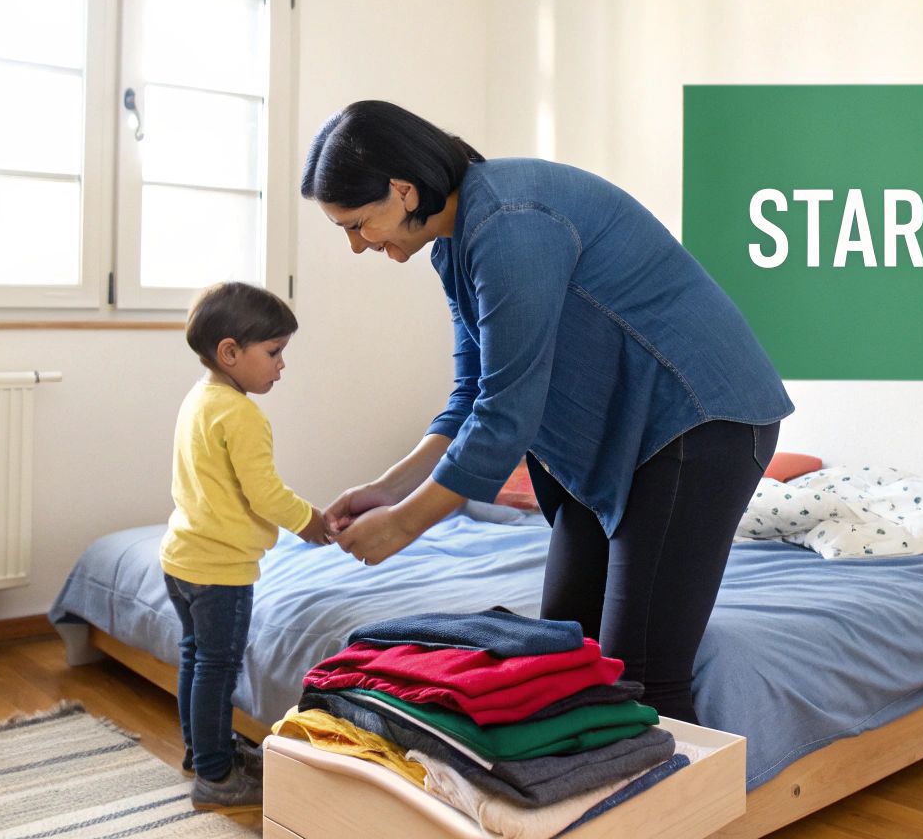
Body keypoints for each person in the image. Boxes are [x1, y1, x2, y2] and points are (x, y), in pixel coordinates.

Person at [305, 100, 792, 724]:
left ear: (402, 191)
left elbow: (506, 413)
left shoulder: (510, 223)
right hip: (609, 445)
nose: (355, 245)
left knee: (639, 678)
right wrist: (385, 489)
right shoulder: (454, 245)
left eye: (357, 224)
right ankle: (579, 813)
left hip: (697, 424)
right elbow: (472, 395)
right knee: (563, 653)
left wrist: (405, 525)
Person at [165, 281, 332, 809]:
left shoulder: (201, 397)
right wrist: (310, 522)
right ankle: (216, 776)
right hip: (221, 571)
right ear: (230, 352)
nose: (281, 366)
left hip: (182, 558)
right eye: (274, 352)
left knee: (197, 659)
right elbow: (265, 495)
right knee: (217, 666)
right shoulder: (242, 415)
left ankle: (203, 751)